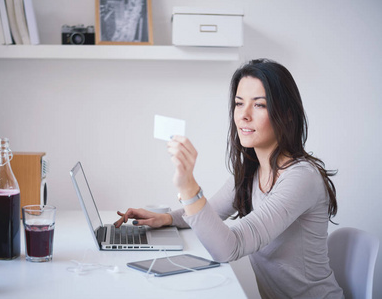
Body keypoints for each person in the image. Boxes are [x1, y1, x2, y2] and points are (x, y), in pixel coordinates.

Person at [115, 59, 343, 298]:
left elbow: (228, 248)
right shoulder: (251, 172)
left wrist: (188, 185)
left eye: (260, 105)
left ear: (286, 115)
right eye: (238, 103)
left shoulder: (301, 178)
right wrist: (165, 218)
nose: (243, 115)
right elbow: (208, 213)